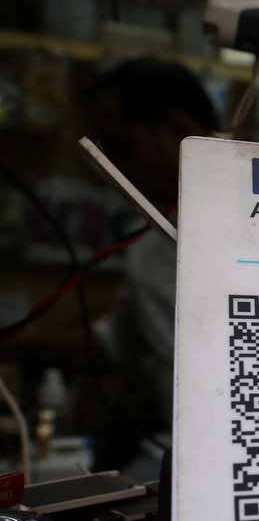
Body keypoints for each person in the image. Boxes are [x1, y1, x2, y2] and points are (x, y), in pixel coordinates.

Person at [17, 58, 218, 473]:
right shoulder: (150, 244)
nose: (112, 169)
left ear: (176, 130)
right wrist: (18, 340)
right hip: (173, 453)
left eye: (121, 146)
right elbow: (118, 342)